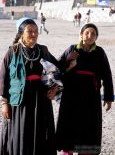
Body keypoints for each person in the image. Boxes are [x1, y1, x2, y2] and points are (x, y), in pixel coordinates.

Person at [0, 17, 60, 155]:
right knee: (20, 134)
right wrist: (4, 103)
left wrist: (55, 89)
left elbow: (58, 69)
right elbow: (3, 78)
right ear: (21, 33)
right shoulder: (12, 51)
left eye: (36, 31)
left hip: (41, 100)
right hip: (19, 101)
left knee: (41, 135)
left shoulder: (43, 50)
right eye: (29, 31)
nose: (34, 34)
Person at [56, 23, 114, 155]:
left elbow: (107, 75)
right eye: (87, 32)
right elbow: (57, 68)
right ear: (81, 35)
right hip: (71, 96)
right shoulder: (72, 49)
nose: (90, 35)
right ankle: (68, 151)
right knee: (69, 126)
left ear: (96, 37)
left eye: (93, 33)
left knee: (89, 128)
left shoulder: (100, 52)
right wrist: (68, 64)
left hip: (91, 97)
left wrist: (108, 97)